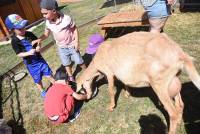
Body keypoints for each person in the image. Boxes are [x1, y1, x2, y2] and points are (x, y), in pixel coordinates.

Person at [34, 0, 86, 82]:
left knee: (79, 61)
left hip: (71, 45)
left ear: (54, 11)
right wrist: (40, 39)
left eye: (45, 13)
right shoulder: (48, 23)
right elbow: (46, 34)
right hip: (61, 48)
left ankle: (86, 71)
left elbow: (74, 29)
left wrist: (76, 42)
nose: (44, 16)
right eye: (42, 14)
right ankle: (71, 76)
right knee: (66, 63)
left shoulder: (66, 19)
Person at [5, 14, 55, 98]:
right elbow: (18, 54)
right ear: (12, 30)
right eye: (20, 29)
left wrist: (38, 46)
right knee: (37, 79)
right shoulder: (15, 41)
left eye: (24, 26)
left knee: (49, 74)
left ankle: (58, 86)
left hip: (39, 59)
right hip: (31, 64)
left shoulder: (29, 34)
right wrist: (28, 53)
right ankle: (42, 91)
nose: (23, 29)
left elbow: (38, 42)